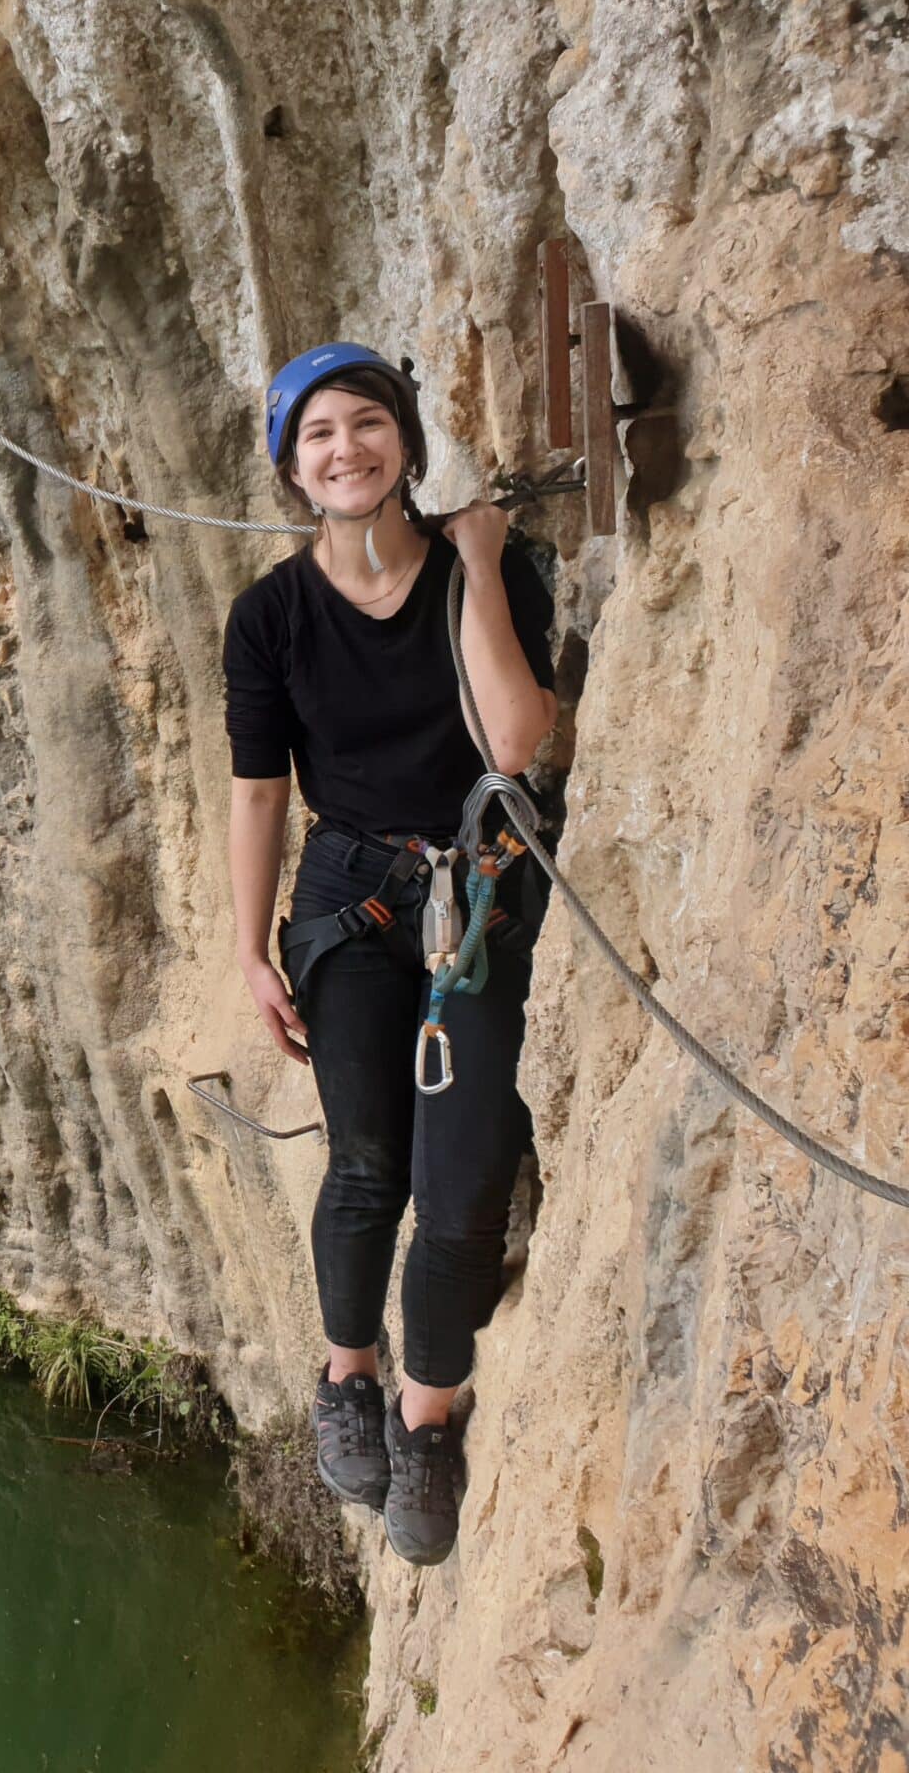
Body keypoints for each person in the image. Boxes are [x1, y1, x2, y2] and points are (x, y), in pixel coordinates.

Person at [221, 344, 560, 1565]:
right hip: (350, 891)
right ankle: (346, 1377)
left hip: (477, 879)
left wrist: (473, 561)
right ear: (290, 465)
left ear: (405, 446)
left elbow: (514, 743)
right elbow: (260, 793)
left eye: (367, 426)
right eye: (317, 435)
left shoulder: (482, 570)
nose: (344, 450)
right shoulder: (270, 617)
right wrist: (251, 949)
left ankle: (429, 1417)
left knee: (462, 1178)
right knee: (368, 1166)